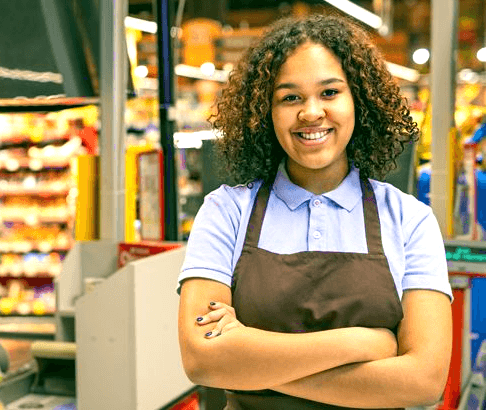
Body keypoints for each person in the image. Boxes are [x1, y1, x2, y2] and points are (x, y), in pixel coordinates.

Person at [177, 14, 453, 410]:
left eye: (329, 93)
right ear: (264, 112)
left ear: (358, 98)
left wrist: (252, 370)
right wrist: (366, 342)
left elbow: (424, 381)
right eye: (290, 97)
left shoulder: (409, 219)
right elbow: (202, 359)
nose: (310, 112)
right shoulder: (226, 211)